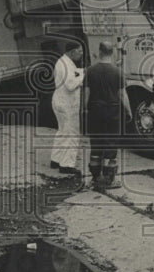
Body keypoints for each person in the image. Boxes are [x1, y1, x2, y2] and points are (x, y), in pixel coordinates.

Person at [84, 40, 131, 188]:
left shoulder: (90, 71)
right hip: (113, 113)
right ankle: (109, 180)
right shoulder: (118, 72)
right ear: (113, 53)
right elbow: (123, 95)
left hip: (95, 112)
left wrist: (84, 109)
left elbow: (86, 93)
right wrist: (129, 110)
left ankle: (96, 179)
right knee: (111, 146)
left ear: (99, 52)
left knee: (96, 146)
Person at [50, 43, 85, 175]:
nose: (81, 53)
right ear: (72, 52)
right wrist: (83, 76)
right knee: (72, 134)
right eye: (79, 51)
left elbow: (72, 73)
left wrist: (82, 71)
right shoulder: (67, 64)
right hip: (68, 104)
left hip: (58, 101)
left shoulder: (62, 61)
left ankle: (55, 159)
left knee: (62, 131)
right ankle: (66, 165)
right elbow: (71, 85)